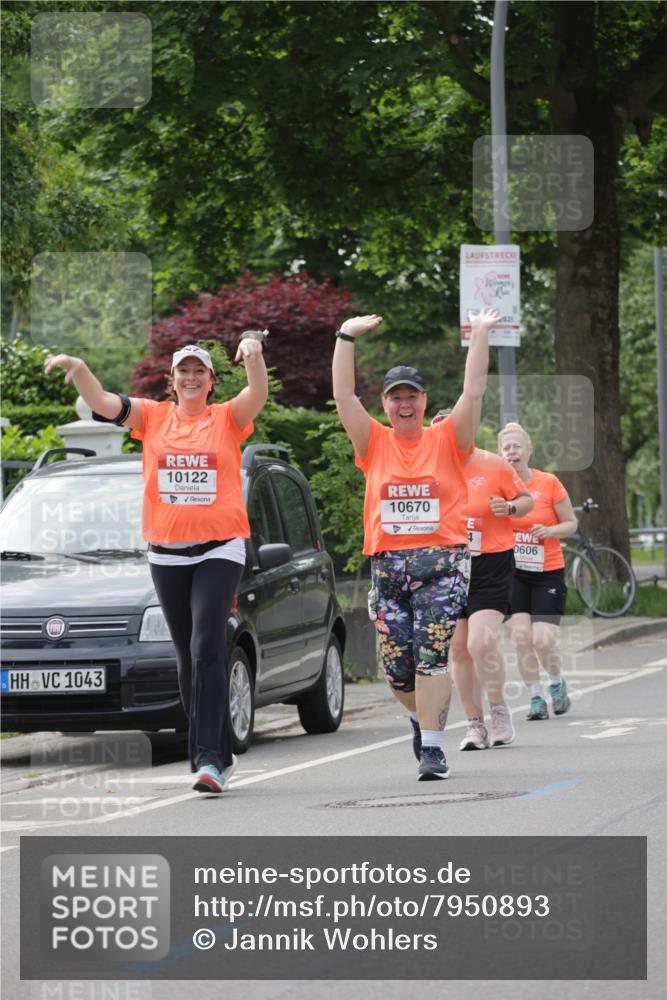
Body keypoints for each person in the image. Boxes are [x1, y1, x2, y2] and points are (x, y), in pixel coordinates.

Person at [44, 335, 269, 793]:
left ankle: (208, 760)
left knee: (208, 644)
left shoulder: (226, 419)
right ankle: (218, 751)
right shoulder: (154, 416)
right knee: (186, 655)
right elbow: (104, 403)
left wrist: (255, 355)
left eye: (199, 372)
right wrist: (81, 367)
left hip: (219, 548)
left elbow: (257, 394)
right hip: (166, 552)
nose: (190, 378)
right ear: (172, 380)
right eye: (183, 371)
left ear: (210, 381)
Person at [332, 307, 500, 780]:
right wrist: (345, 335)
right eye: (395, 398)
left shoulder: (449, 439)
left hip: (443, 565)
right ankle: (419, 717)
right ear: (385, 405)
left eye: (412, 396)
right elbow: (343, 394)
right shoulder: (373, 443)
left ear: (424, 401)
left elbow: (474, 391)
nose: (404, 404)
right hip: (388, 567)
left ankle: (432, 749)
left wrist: (480, 333)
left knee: (432, 654)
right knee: (397, 671)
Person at [442, 427, 534, 749]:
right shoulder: (432, 468)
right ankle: (473, 724)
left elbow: (526, 500)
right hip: (449, 566)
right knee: (459, 648)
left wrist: (508, 509)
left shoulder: (493, 464)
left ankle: (498, 711)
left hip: (491, 563)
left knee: (481, 641)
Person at [498, 421, 577, 719]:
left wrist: (551, 530)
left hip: (547, 572)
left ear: (529, 450)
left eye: (517, 447)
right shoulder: (498, 487)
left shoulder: (549, 483)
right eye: (506, 448)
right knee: (520, 637)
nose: (512, 452)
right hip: (512, 573)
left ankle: (556, 683)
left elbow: (571, 523)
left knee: (543, 639)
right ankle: (535, 698)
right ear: (500, 453)